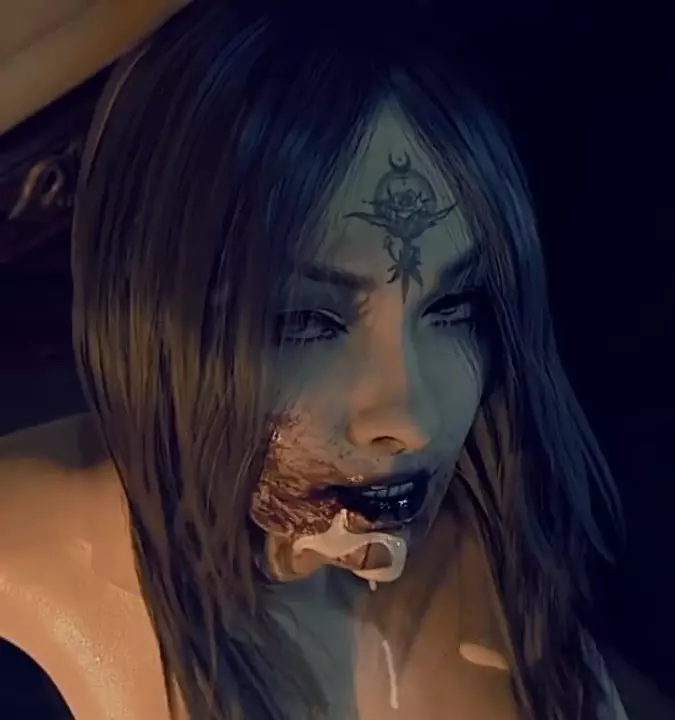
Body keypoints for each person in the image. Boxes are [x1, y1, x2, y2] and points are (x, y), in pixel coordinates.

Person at [0, 1, 632, 718]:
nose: (409, 420)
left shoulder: (513, 606)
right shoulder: (38, 536)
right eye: (307, 322)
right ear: (150, 312)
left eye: (453, 309)